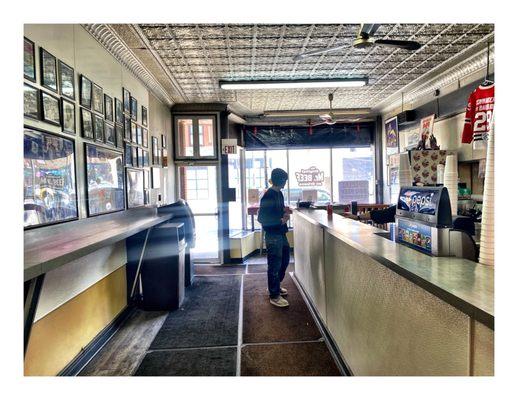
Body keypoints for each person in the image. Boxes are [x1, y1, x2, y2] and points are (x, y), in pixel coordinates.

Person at [258, 168, 291, 308]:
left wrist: (284, 211)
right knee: (275, 264)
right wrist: (281, 221)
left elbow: (277, 210)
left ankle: (275, 286)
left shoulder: (279, 194)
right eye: (285, 180)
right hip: (272, 235)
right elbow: (262, 218)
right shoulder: (268, 196)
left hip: (281, 233)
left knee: (284, 260)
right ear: (280, 180)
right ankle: (274, 295)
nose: (285, 183)